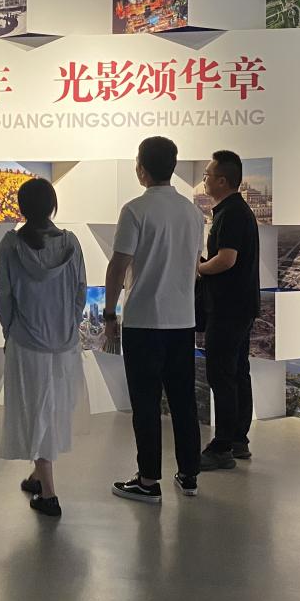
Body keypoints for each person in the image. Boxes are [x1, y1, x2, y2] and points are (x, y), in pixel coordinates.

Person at [105, 137, 205, 503]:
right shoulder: (193, 213)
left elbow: (118, 266)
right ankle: (189, 474)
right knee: (183, 401)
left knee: (145, 404)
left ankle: (148, 480)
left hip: (144, 321)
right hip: (182, 321)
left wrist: (109, 312)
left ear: (142, 169)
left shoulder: (135, 210)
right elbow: (193, 266)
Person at [0, 177, 86, 518]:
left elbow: (5, 297)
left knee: (35, 410)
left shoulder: (11, 245)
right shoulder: (71, 243)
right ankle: (38, 475)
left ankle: (49, 494)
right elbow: (80, 292)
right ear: (53, 206)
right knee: (52, 409)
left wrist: (8, 332)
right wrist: (69, 326)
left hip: (27, 341)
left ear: (21, 208)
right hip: (64, 343)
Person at [195, 151, 261, 471]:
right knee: (237, 372)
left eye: (207, 175)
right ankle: (237, 440)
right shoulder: (236, 210)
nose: (204, 180)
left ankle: (222, 446)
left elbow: (226, 259)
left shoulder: (231, 213)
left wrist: (198, 269)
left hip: (227, 308)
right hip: (240, 306)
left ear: (222, 180)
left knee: (222, 374)